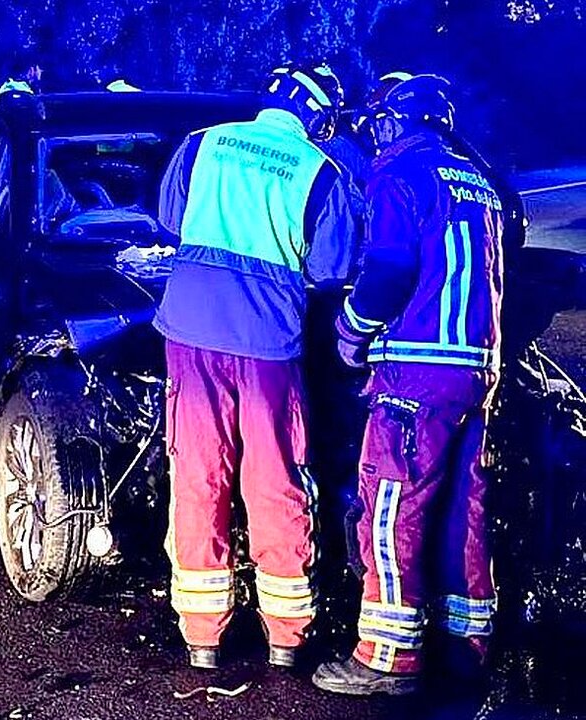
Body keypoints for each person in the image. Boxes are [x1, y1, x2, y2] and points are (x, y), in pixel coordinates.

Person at [154, 61, 357, 670]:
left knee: (197, 477)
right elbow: (333, 270)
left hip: (189, 336)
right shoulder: (321, 171)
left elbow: (168, 219)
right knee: (273, 480)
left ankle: (203, 638)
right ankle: (287, 638)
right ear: (318, 116)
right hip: (268, 344)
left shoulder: (201, 144)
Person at [313, 74, 504, 696]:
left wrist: (350, 328)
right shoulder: (479, 178)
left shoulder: (400, 174)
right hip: (478, 369)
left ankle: (387, 657)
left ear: (394, 122)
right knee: (461, 506)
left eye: (378, 126)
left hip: (416, 371)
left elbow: (390, 269)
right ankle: (464, 643)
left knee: (393, 504)